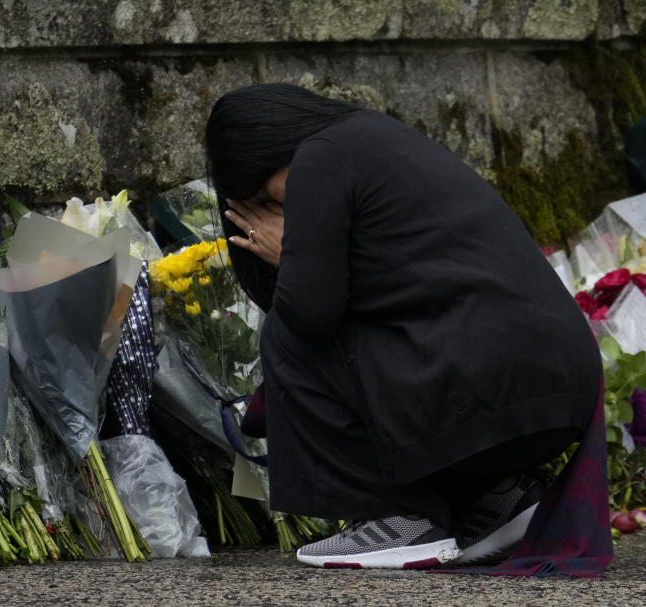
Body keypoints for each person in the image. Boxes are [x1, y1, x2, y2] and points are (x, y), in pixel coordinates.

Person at [204, 83, 604, 570]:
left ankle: (397, 517)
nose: (277, 217)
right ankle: (500, 501)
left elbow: (308, 317)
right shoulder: (373, 136)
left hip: (491, 387)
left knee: (287, 341)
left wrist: (290, 256)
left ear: (262, 161)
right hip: (561, 388)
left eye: (265, 204)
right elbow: (409, 293)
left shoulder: (318, 159)